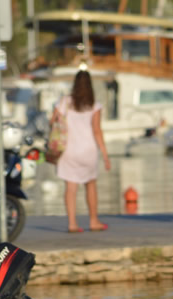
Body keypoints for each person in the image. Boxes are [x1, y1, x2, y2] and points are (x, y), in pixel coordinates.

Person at [52, 69, 111, 233]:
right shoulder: (94, 105)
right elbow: (97, 131)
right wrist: (105, 155)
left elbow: (53, 121)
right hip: (88, 150)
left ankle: (72, 224)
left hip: (68, 149)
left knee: (71, 188)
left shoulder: (65, 102)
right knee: (90, 185)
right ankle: (93, 221)